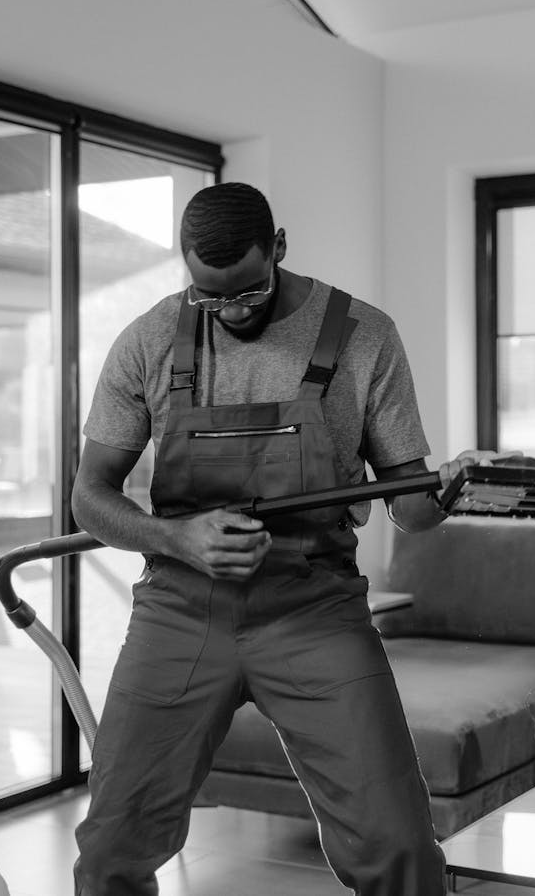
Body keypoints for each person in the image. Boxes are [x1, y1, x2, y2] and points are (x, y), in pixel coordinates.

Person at [72, 182, 503, 896]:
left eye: (246, 292)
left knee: (398, 845)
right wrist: (177, 538)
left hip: (314, 611)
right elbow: (89, 497)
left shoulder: (364, 335)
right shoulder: (148, 338)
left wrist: (454, 489)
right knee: (112, 845)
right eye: (209, 299)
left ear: (278, 247)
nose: (230, 312)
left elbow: (410, 508)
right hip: (182, 612)